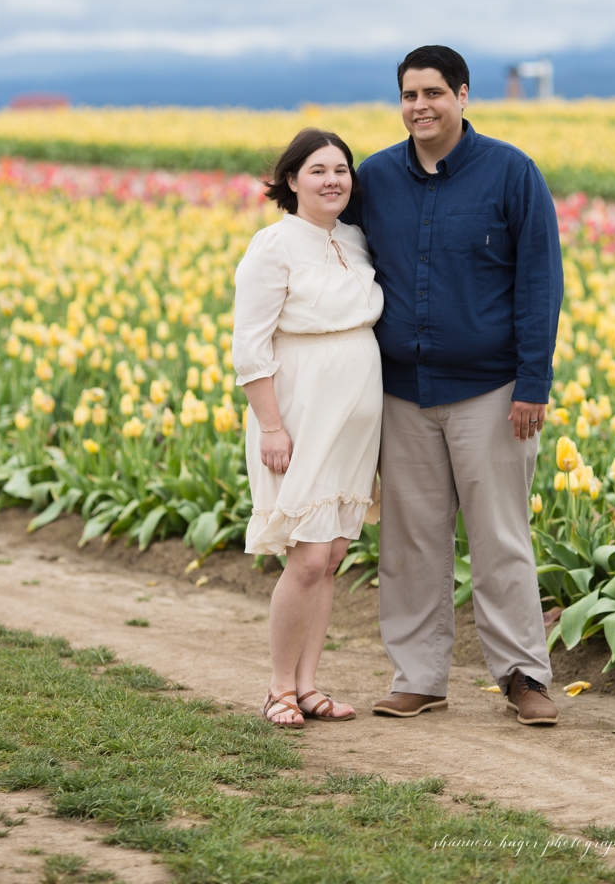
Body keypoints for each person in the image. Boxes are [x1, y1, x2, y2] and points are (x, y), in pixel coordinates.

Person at [353, 44, 563, 727]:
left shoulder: (510, 172)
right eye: (409, 95)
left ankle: (523, 675)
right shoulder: (375, 178)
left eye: (434, 93)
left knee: (500, 537)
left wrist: (533, 382)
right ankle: (418, 677)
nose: (420, 106)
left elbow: (539, 281)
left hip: (492, 392)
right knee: (410, 541)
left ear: (463, 95)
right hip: (401, 393)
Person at [233, 128, 384, 726]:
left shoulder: (355, 238)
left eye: (341, 169)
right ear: (291, 180)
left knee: (334, 553)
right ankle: (279, 690)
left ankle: (309, 685)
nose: (332, 180)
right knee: (307, 556)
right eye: (317, 170)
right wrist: (271, 427)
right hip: (299, 413)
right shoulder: (273, 246)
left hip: (354, 423)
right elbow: (249, 346)